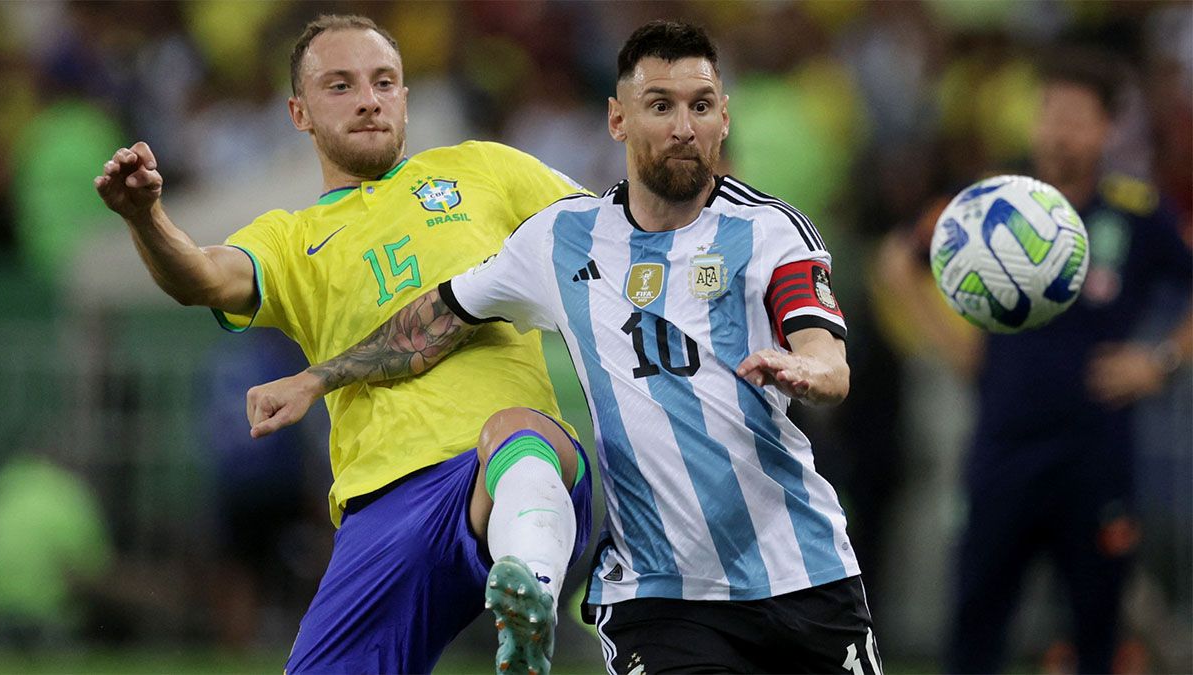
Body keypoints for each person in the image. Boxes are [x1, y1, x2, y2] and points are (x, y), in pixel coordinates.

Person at [246, 20, 883, 674]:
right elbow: (431, 323)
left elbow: (824, 350)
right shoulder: (563, 239)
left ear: (724, 118)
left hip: (800, 572)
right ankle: (532, 596)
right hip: (657, 595)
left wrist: (812, 367)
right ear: (618, 120)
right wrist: (316, 378)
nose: (681, 126)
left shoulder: (768, 231)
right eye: (659, 106)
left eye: (699, 105)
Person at [93, 14, 594, 675]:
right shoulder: (292, 237)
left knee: (522, 432)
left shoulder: (484, 170)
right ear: (298, 112)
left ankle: (528, 594)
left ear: (406, 98)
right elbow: (203, 276)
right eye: (341, 85)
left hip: (499, 470)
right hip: (381, 506)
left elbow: (611, 240)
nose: (369, 98)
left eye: (385, 81)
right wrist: (146, 217)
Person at [880, 48, 1193, 673]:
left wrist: (1158, 361)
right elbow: (897, 261)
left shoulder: (1134, 209)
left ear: (1107, 129)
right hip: (1003, 444)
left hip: (1098, 448)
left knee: (1097, 632)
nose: (1059, 129)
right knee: (976, 625)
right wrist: (955, 348)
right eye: (1050, 112)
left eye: (1077, 116)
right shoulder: (989, 204)